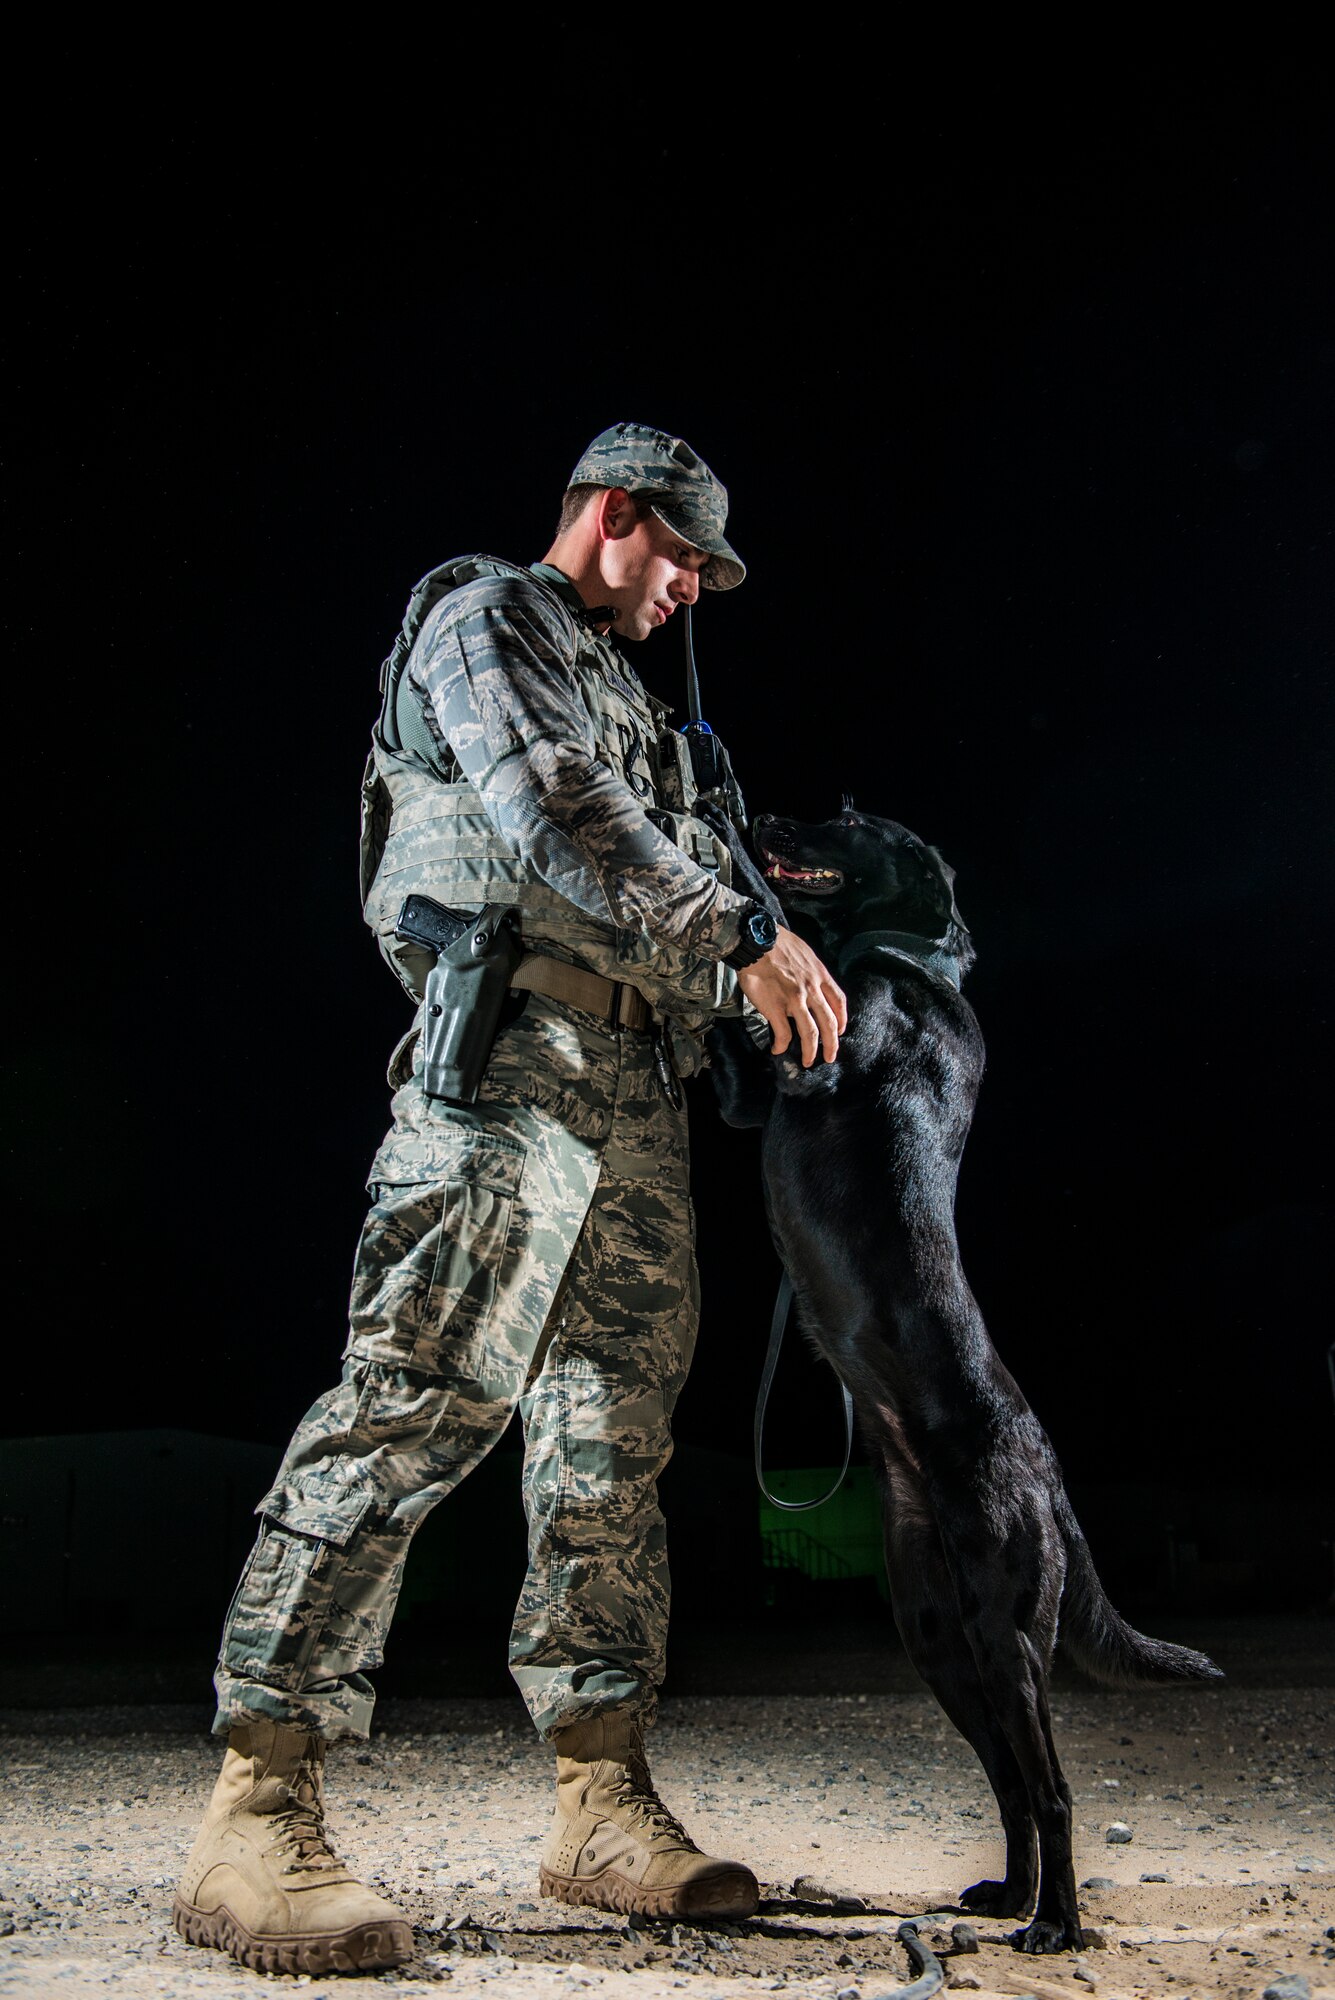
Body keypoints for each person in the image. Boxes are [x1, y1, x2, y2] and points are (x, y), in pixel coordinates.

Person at [174, 422, 847, 1974]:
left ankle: (599, 1800)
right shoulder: (489, 618)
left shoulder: (636, 695)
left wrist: (782, 935)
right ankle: (253, 1811)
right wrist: (737, 935)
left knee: (613, 1445)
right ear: (611, 515)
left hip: (634, 1093)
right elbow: (551, 807)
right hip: (511, 1061)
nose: (691, 589)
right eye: (679, 555)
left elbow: (677, 846)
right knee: (413, 1403)